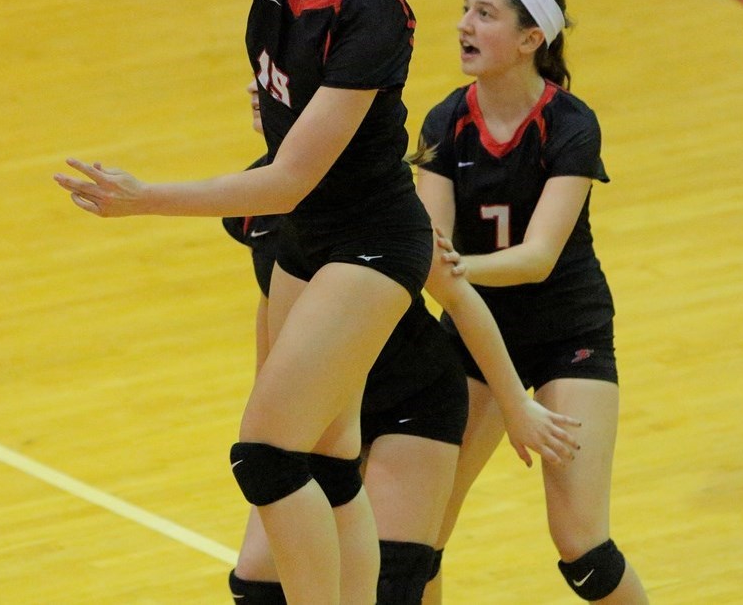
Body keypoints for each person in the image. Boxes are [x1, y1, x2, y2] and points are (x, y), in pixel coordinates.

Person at [0, 0, 581, 603]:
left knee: (265, 455)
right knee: (331, 465)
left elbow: (291, 178)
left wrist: (147, 199)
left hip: (369, 242)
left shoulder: (376, 17)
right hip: (307, 238)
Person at [224, 83, 579, 604]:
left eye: (279, 78)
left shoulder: (376, 199)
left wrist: (514, 403)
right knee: (256, 581)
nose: (260, 88)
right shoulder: (257, 197)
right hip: (323, 405)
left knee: (392, 582)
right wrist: (266, 408)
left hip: (410, 400)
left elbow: (461, 301)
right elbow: (270, 303)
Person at [416, 0, 649, 603]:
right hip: (470, 330)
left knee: (583, 550)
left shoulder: (570, 123)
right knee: (416, 539)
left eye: (485, 14)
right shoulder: (444, 123)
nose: (464, 24)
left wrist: (456, 269)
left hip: (565, 333)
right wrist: (450, 274)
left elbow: (537, 257)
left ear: (529, 40)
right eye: (466, 9)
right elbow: (430, 259)